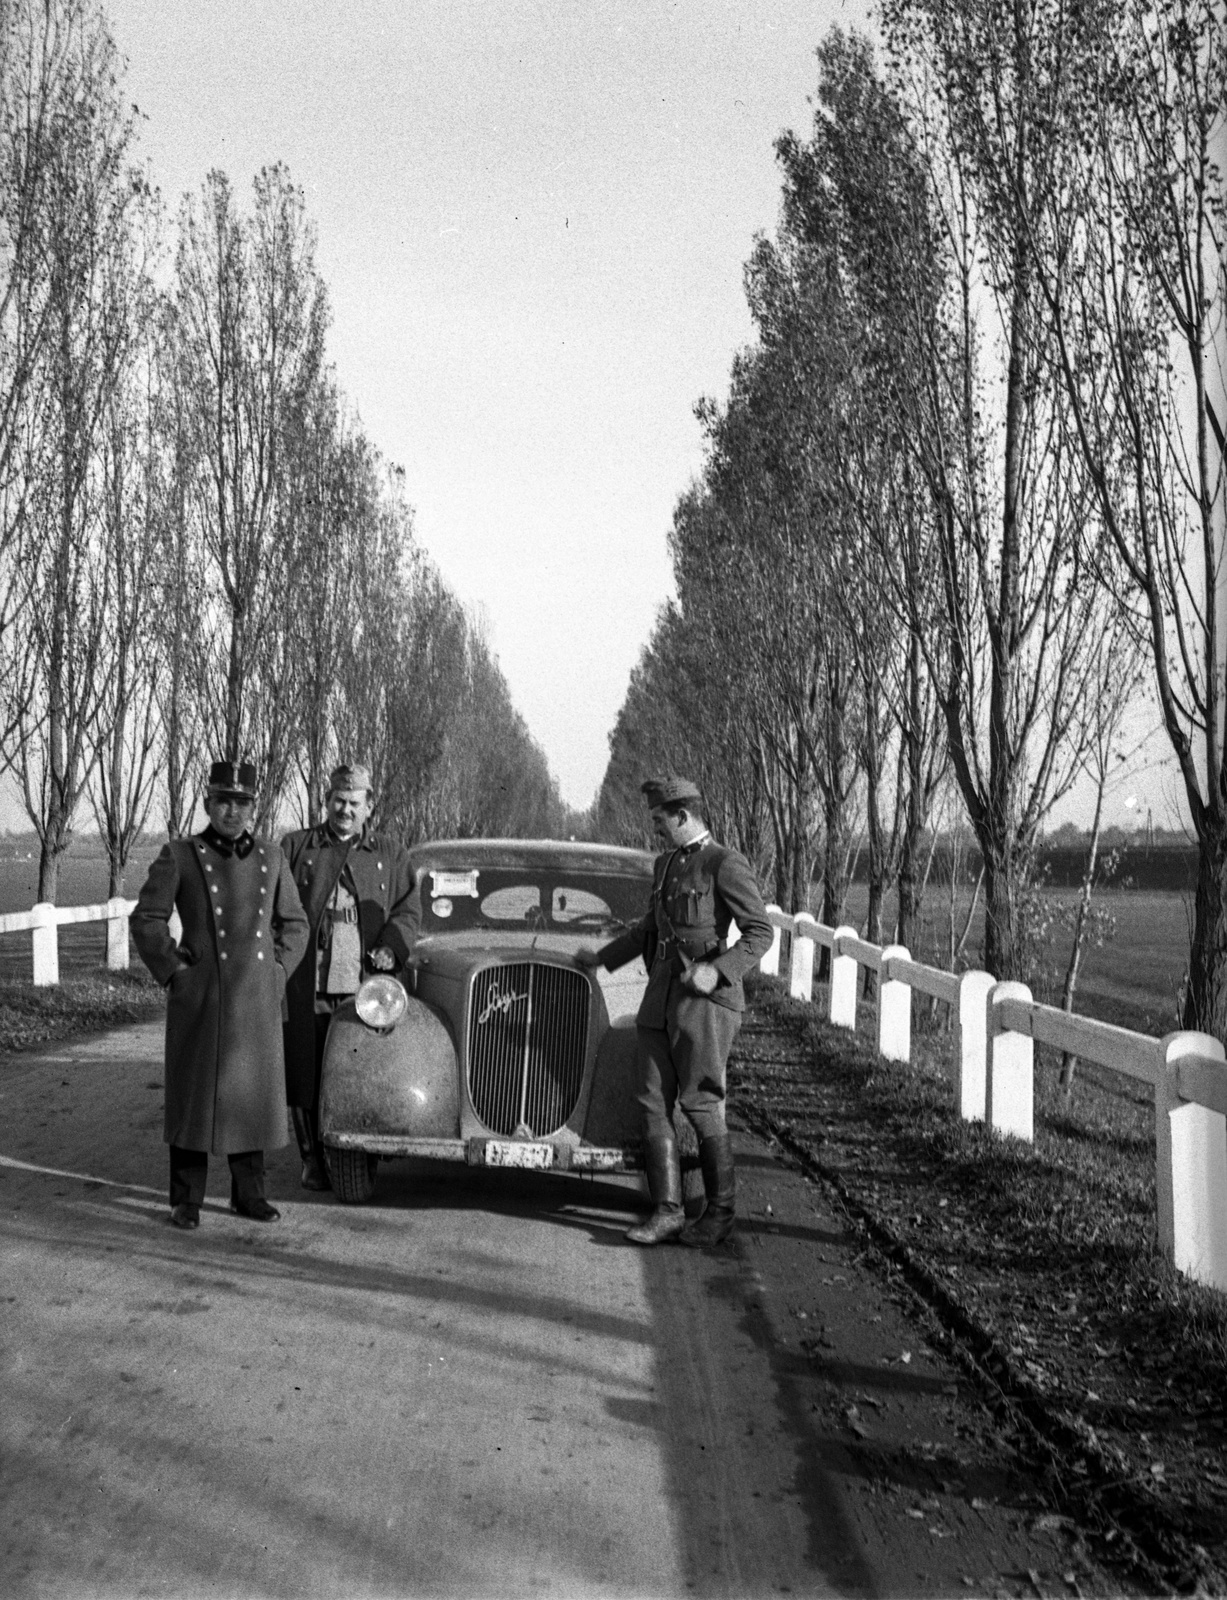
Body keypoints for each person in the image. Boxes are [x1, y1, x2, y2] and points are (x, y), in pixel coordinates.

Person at [577, 777, 772, 1247]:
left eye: (661, 820)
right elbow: (649, 930)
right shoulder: (665, 865)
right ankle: (667, 1211)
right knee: (651, 1100)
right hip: (659, 1000)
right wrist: (601, 958)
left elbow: (760, 933)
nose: (657, 830)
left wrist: (718, 971)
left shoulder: (724, 864)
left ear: (683, 815)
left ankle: (720, 1214)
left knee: (701, 1101)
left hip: (703, 1004)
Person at [132, 760, 310, 1230]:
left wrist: (276, 973)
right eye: (223, 801)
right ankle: (185, 1200)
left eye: (242, 803)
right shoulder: (181, 854)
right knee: (194, 1098)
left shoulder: (272, 858)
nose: (232, 812)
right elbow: (146, 919)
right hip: (202, 999)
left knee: (250, 1098)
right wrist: (176, 973)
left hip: (254, 1000)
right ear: (208, 803)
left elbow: (295, 924)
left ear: (255, 807)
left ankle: (248, 1195)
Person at [280, 764, 420, 1190]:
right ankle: (311, 1159)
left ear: (369, 806)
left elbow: (408, 912)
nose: (345, 810)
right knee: (306, 1066)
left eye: (354, 803)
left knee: (362, 1069)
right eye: (338, 801)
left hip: (364, 985)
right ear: (326, 801)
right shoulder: (296, 846)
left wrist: (391, 947)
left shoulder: (390, 854)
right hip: (310, 980)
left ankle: (360, 1152)